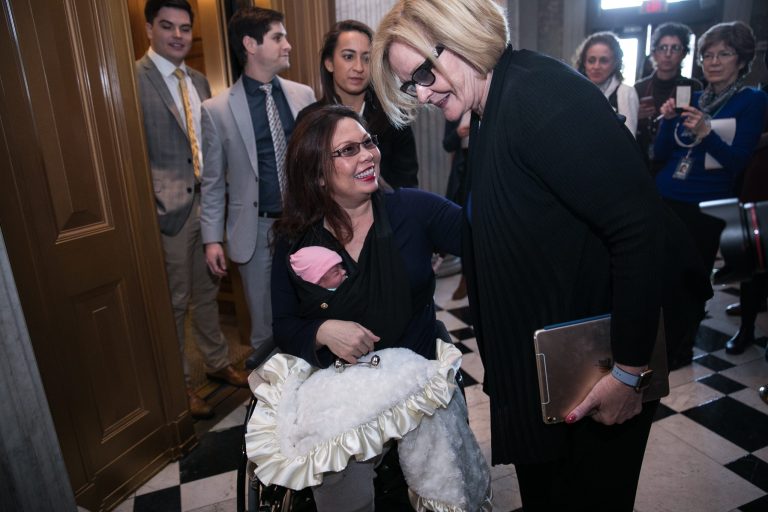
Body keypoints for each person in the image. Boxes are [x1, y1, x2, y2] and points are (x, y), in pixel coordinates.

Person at [370, 0, 675, 509]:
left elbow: (639, 229)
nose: (421, 93)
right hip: (554, 380)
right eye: (410, 83)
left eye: (424, 71)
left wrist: (628, 372)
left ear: (463, 34)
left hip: (595, 379)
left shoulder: (538, 95)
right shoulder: (493, 106)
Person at [270, 105, 468, 510]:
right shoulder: (294, 237)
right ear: (318, 173)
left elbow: (491, 238)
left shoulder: (414, 211)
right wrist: (323, 331)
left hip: (414, 381)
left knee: (442, 474)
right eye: (348, 150)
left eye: (368, 142)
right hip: (340, 390)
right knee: (339, 469)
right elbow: (285, 325)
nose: (367, 155)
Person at [135, 0, 248, 419]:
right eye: (168, 27)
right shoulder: (132, 79)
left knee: (208, 293)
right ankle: (180, 383)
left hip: (208, 205)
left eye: (185, 27)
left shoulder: (200, 81)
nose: (178, 35)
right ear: (150, 29)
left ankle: (217, 363)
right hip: (168, 211)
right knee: (175, 300)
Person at [200, 6, 316, 369]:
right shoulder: (216, 110)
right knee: (266, 326)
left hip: (306, 222)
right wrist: (211, 239)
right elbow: (213, 181)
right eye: (278, 37)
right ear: (250, 44)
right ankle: (273, 408)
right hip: (257, 229)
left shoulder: (303, 95)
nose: (288, 45)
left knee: (314, 307)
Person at [654, 21, 767, 362]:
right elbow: (662, 153)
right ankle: (658, 340)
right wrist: (667, 122)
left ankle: (682, 346)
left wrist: (707, 132)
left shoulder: (753, 100)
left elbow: (736, 162)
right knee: (659, 275)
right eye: (707, 55)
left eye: (724, 54)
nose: (713, 62)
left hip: (705, 205)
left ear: (741, 59)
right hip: (665, 196)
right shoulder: (695, 97)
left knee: (693, 278)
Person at [300, 19, 419, 189]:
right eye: (348, 56)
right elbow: (303, 186)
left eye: (367, 59)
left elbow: (407, 188)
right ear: (329, 63)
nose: (359, 67)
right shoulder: (309, 119)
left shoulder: (394, 118)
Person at [634, 22, 702, 172]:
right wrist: (635, 117)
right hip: (641, 159)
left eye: (675, 48)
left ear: (684, 53)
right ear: (654, 52)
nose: (668, 53)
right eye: (663, 47)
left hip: (677, 160)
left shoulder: (693, 87)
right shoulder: (639, 88)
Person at [573, 31, 640, 136]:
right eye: (591, 60)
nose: (596, 66)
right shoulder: (576, 91)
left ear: (615, 63)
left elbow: (629, 138)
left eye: (604, 61)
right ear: (583, 63)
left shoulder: (626, 92)